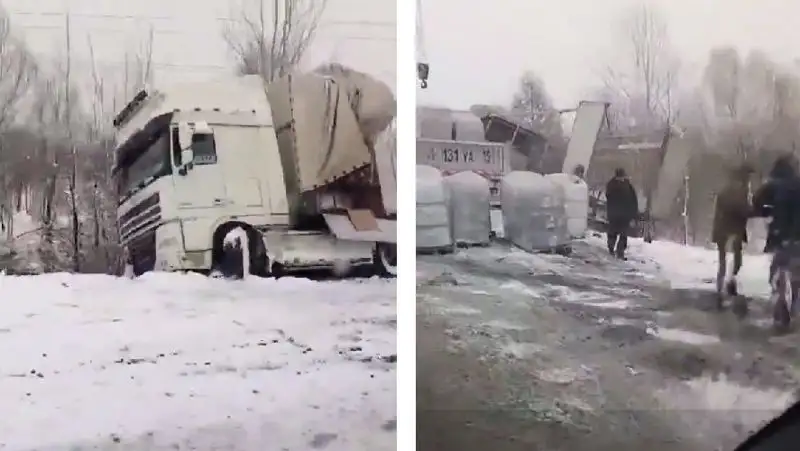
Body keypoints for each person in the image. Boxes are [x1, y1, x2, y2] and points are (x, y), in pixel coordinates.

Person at [751, 154, 800, 330]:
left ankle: (781, 301)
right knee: (795, 269)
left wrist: (766, 212)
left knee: (780, 268)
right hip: (797, 235)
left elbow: (757, 201)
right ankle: (795, 302)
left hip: (780, 234)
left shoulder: (774, 185)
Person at [711, 162, 754, 307]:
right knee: (733, 261)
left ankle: (723, 287)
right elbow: (741, 209)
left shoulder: (731, 189)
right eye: (748, 177)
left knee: (726, 261)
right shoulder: (736, 191)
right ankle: (725, 287)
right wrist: (753, 211)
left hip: (725, 231)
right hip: (730, 231)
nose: (749, 180)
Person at [605, 167, 639, 259]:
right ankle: (611, 248)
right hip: (615, 214)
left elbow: (633, 201)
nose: (621, 178)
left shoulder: (627, 186)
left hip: (623, 215)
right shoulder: (613, 185)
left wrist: (633, 214)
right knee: (613, 233)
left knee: (623, 234)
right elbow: (609, 197)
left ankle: (620, 252)